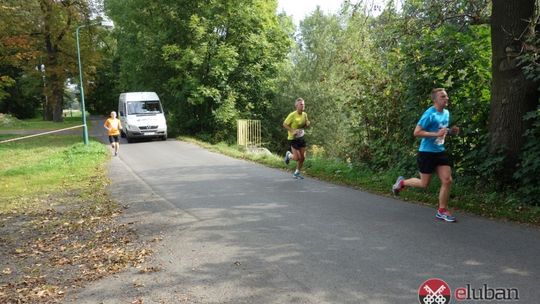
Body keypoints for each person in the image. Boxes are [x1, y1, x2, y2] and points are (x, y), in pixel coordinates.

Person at [392, 88, 460, 222]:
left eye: (446, 96)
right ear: (435, 100)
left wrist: (451, 131)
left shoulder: (446, 113)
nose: (446, 99)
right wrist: (436, 134)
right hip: (426, 152)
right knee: (424, 184)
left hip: (440, 151)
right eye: (443, 97)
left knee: (447, 180)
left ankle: (442, 210)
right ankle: (402, 182)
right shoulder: (429, 114)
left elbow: (442, 130)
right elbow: (416, 132)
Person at [283, 98, 310, 179]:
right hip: (293, 138)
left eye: (303, 104)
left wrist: (307, 125)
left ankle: (296, 173)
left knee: (303, 157)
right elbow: (284, 124)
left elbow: (305, 125)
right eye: (301, 104)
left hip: (301, 137)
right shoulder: (292, 115)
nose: (303, 105)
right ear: (296, 106)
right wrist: (292, 131)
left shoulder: (305, 114)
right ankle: (289, 155)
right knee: (297, 158)